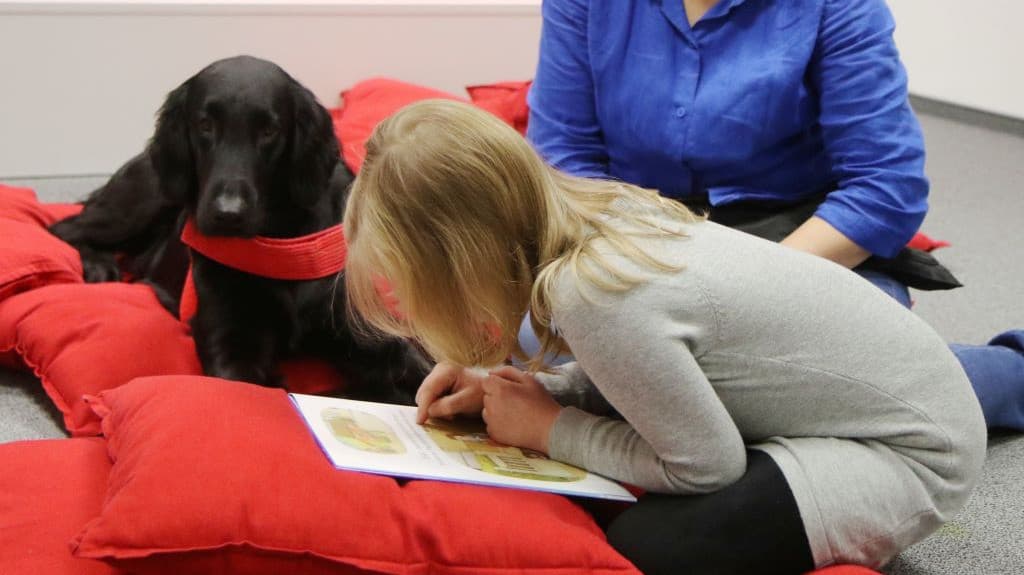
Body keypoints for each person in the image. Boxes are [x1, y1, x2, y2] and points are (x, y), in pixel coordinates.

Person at [341, 99, 986, 574]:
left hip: (908, 455)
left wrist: (550, 429)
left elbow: (705, 466)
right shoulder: (602, 215)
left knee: (648, 550)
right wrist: (528, 391)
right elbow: (641, 366)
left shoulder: (594, 294)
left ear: (457, 263)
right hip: (859, 400)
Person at [524, 0, 1024, 430]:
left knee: (805, 386)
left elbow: (886, 187)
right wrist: (629, 282)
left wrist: (740, 301)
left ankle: (1007, 373)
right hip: (641, 240)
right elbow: (563, 161)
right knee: (527, 344)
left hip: (801, 250)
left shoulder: (836, 7)